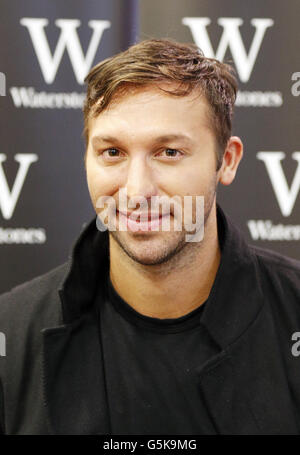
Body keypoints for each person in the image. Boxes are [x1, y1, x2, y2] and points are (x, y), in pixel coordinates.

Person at [0, 38, 299, 435]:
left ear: (226, 161)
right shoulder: (11, 330)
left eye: (169, 152)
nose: (137, 191)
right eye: (112, 153)